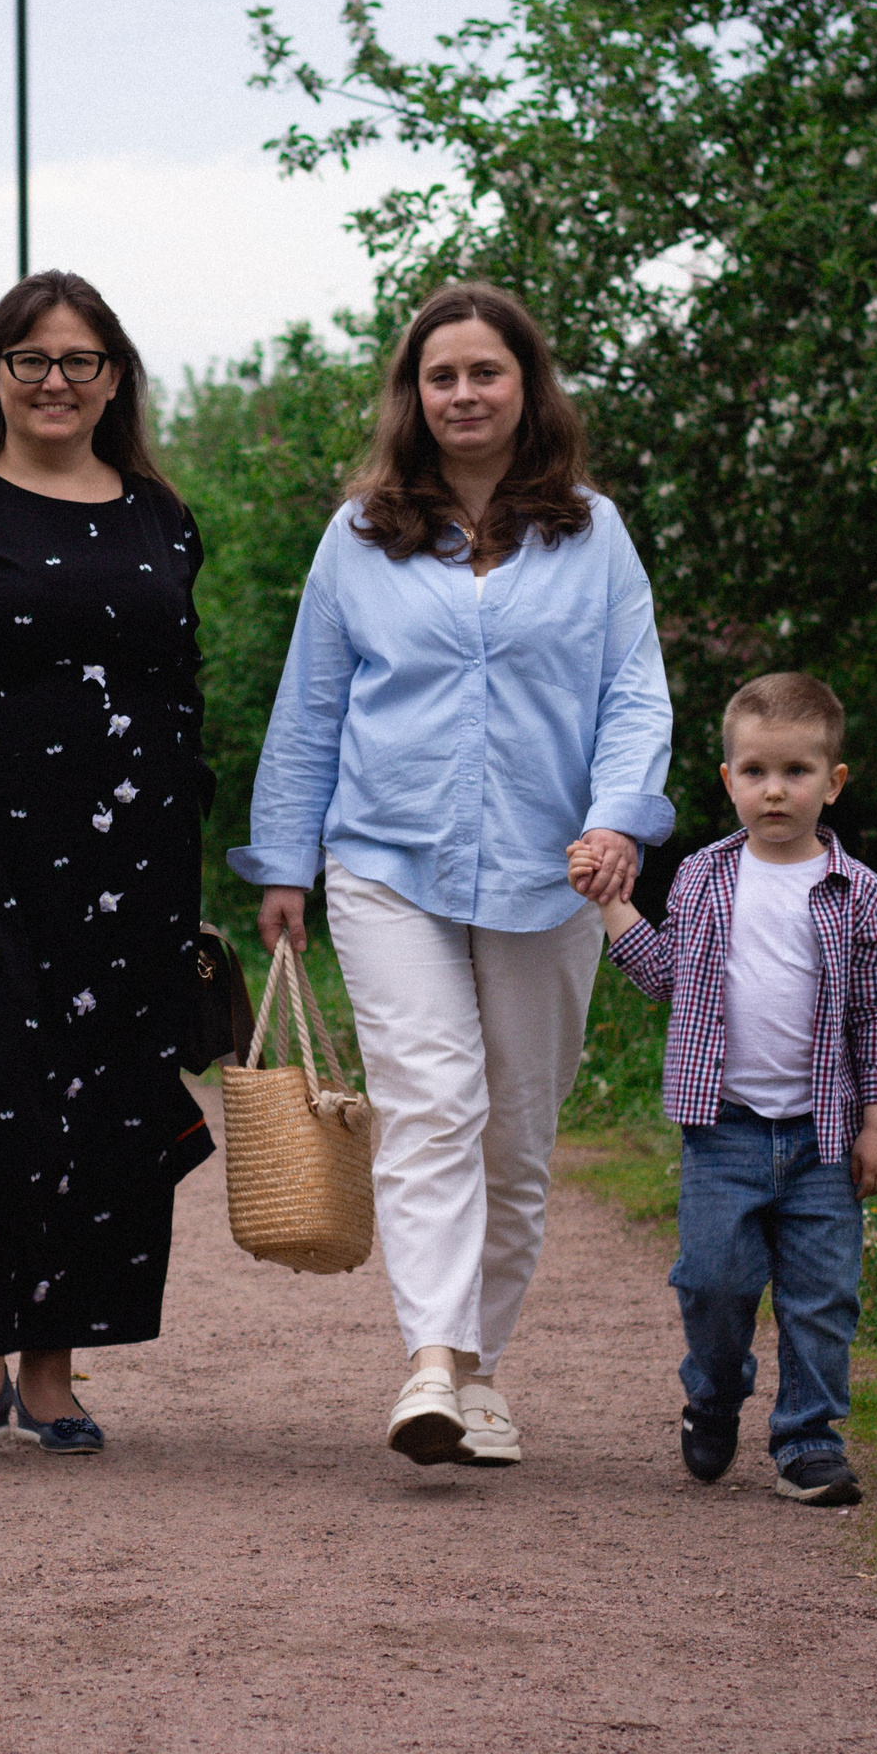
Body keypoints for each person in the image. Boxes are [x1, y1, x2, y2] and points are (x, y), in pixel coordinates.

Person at [233, 282, 674, 1468]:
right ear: (411, 396)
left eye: (485, 372)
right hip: (386, 858)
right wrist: (283, 860)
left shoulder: (592, 531)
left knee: (516, 1135)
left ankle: (478, 1369)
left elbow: (634, 690)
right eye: (441, 376)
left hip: (554, 869)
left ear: (527, 387)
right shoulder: (358, 535)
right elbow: (311, 704)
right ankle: (429, 1361)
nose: (463, 393)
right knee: (431, 1101)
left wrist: (621, 819)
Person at [0, 269, 214, 1456]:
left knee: (110, 1106)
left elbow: (185, 698)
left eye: (78, 361)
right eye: (30, 361)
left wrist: (200, 877)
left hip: (137, 866)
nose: (55, 382)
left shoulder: (161, 515)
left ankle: (56, 1370)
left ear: (114, 376)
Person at [572, 671, 877, 1506]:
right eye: (755, 772)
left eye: (796, 772)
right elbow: (665, 976)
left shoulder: (862, 896)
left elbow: (876, 1018)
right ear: (728, 782)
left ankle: (807, 1440)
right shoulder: (702, 879)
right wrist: (613, 903)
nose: (775, 790)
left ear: (833, 782)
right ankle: (714, 1399)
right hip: (723, 1131)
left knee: (822, 1297)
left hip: (825, 1138)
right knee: (713, 1281)